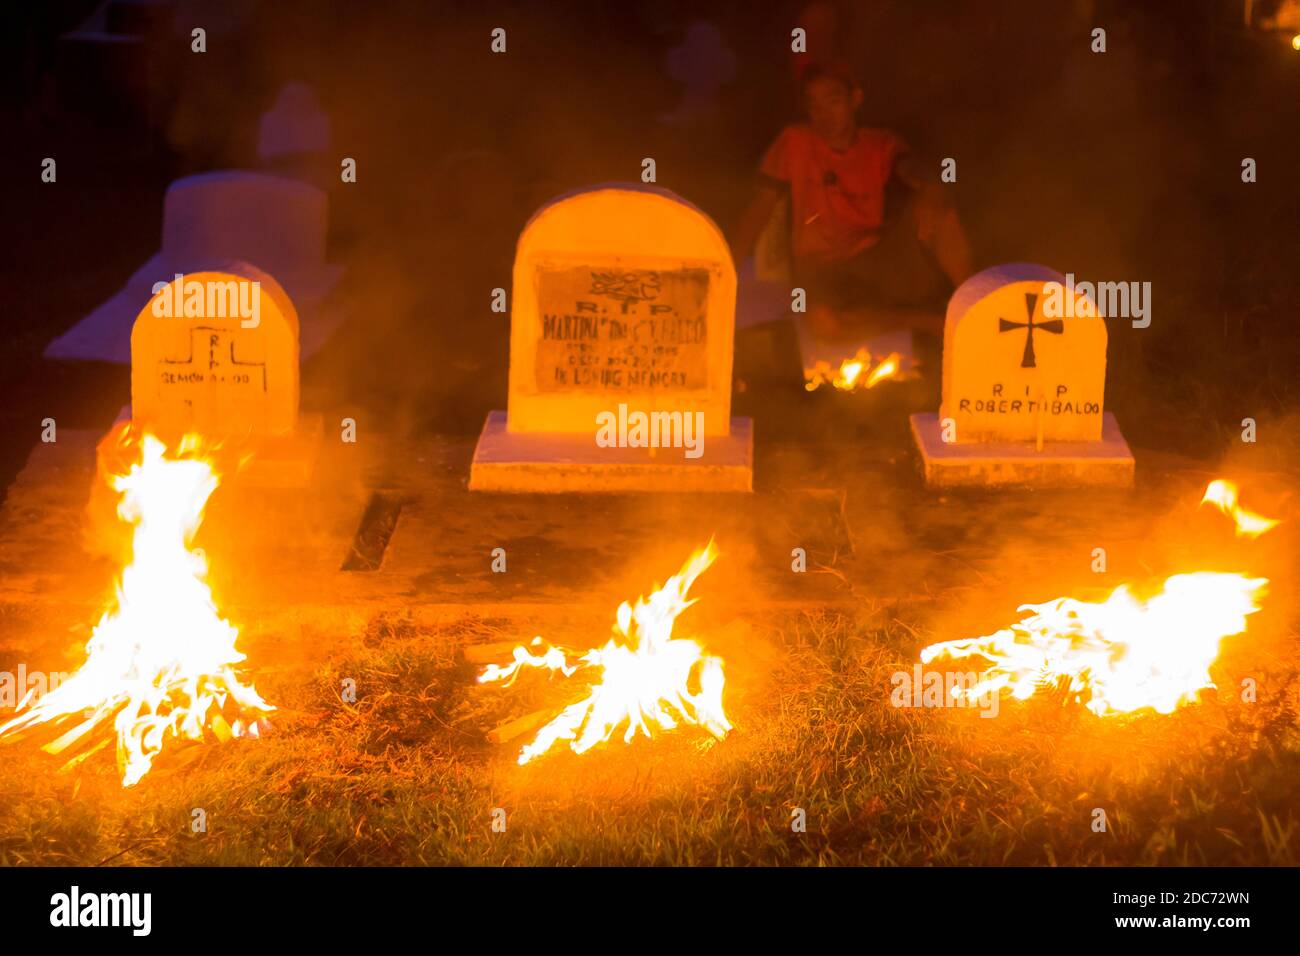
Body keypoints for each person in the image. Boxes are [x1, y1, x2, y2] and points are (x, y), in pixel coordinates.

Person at [733, 61, 974, 338]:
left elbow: (909, 168)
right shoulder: (794, 142)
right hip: (823, 270)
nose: (823, 115)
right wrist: (728, 266)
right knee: (824, 324)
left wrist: (933, 187)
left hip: (877, 258)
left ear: (855, 99)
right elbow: (760, 206)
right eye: (814, 105)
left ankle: (975, 305)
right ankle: (921, 319)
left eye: (832, 101)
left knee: (939, 209)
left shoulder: (879, 144)